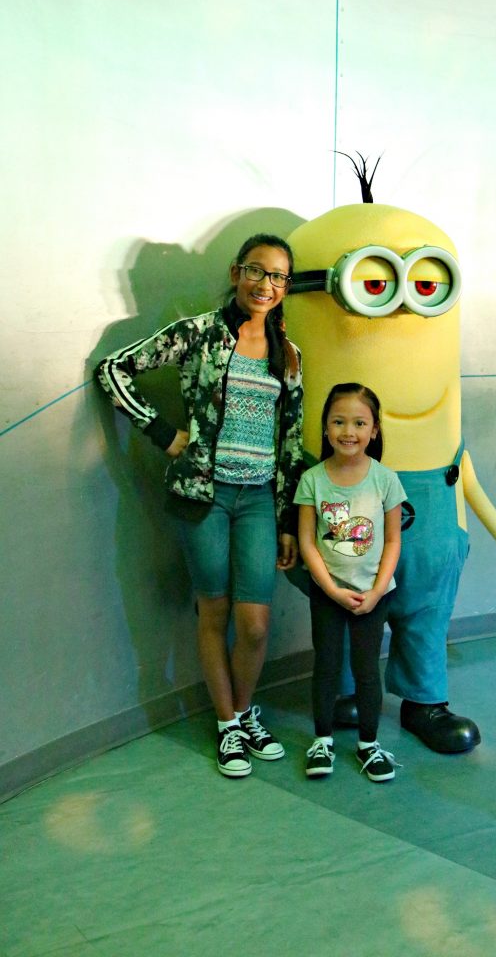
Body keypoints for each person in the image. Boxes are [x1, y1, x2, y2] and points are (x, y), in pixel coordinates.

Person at [95, 233, 304, 779]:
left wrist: (285, 520)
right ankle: (228, 724)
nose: (266, 284)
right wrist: (163, 433)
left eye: (278, 276)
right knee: (213, 612)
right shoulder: (198, 334)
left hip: (258, 500)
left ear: (286, 286)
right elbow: (112, 372)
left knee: (255, 624)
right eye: (257, 271)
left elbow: (291, 440)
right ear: (237, 273)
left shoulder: (291, 355)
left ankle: (241, 709)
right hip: (203, 499)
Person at [295, 383, 406, 782]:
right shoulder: (311, 480)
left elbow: (394, 538)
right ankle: (321, 740)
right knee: (325, 664)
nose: (349, 431)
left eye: (359, 423)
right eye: (339, 421)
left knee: (366, 670)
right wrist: (329, 588)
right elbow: (307, 540)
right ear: (325, 428)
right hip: (327, 593)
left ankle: (369, 745)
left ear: (374, 430)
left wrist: (377, 591)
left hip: (374, 596)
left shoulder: (386, 480)